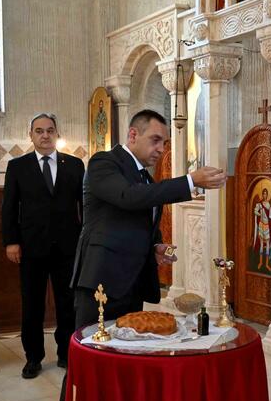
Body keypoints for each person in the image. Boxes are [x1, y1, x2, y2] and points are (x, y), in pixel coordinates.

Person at [71, 109, 227, 328]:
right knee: (96, 351)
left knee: (130, 350)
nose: (161, 149)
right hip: (103, 280)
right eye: (155, 140)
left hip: (133, 282)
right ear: (133, 135)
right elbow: (128, 197)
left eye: (164, 143)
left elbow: (138, 218)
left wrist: (155, 245)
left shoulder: (146, 178)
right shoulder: (103, 163)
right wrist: (190, 181)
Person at [2, 113, 84, 378]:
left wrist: (85, 240)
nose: (45, 135)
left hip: (67, 247)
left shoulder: (74, 165)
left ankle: (66, 354)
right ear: (31, 135)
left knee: (67, 304)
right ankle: (33, 358)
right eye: (39, 131)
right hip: (31, 247)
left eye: (50, 130)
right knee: (32, 305)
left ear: (57, 133)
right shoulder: (18, 166)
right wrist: (11, 241)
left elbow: (84, 205)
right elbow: (9, 208)